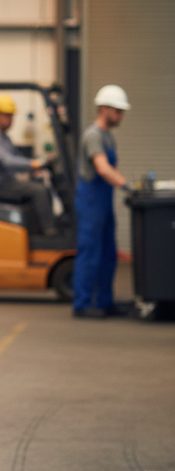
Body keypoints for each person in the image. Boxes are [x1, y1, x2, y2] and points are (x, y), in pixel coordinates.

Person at [72, 85, 131, 318]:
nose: (121, 116)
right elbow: (103, 168)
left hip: (103, 202)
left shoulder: (108, 136)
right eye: (118, 111)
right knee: (90, 253)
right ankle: (82, 304)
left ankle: (105, 302)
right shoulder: (94, 135)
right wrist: (127, 186)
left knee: (108, 253)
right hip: (91, 201)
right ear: (104, 109)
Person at [0, 95, 57, 235]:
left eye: (11, 116)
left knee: (38, 183)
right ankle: (49, 230)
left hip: (8, 181)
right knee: (39, 191)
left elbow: (16, 157)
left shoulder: (4, 137)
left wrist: (32, 168)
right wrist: (32, 164)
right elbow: (7, 161)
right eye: (7, 116)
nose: (10, 120)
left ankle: (36, 228)